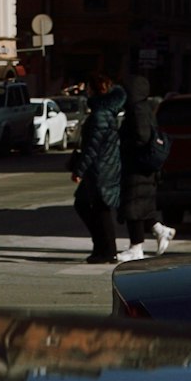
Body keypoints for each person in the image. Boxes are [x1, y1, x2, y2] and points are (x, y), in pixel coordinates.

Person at [116, 74, 176, 261]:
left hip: (137, 166)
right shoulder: (143, 108)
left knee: (132, 207)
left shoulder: (137, 110)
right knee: (141, 207)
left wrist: (126, 146)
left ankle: (136, 248)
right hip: (143, 166)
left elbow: (141, 137)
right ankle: (161, 230)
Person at [70, 72, 126, 264]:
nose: (85, 92)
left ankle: (106, 250)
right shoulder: (105, 112)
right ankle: (103, 249)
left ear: (94, 90)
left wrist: (79, 170)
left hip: (100, 168)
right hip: (106, 166)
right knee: (95, 207)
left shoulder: (100, 115)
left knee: (92, 206)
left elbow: (92, 148)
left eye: (88, 88)